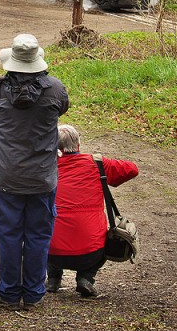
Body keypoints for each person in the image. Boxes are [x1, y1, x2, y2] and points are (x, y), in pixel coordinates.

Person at [0, 33, 69, 310]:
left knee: (9, 235)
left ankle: (8, 292)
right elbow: (62, 109)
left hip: (5, 177)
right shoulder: (55, 89)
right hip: (42, 177)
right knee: (39, 236)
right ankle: (33, 293)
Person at [47, 124, 138, 298]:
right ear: (78, 144)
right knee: (105, 235)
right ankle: (85, 277)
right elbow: (132, 169)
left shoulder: (46, 167)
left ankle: (53, 278)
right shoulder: (97, 164)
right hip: (91, 253)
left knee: (49, 229)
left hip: (51, 252)